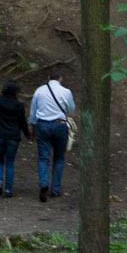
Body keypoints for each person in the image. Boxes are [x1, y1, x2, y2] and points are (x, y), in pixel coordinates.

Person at [28, 72, 75, 202]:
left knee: (43, 158)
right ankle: (55, 189)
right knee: (59, 158)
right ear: (61, 78)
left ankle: (44, 183)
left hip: (42, 126)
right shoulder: (66, 91)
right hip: (60, 126)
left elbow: (33, 112)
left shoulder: (39, 91)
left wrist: (32, 127)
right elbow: (71, 109)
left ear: (48, 78)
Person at [0, 81, 30, 198]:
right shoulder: (19, 105)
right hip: (13, 137)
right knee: (10, 163)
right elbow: (22, 122)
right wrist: (28, 134)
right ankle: (9, 189)